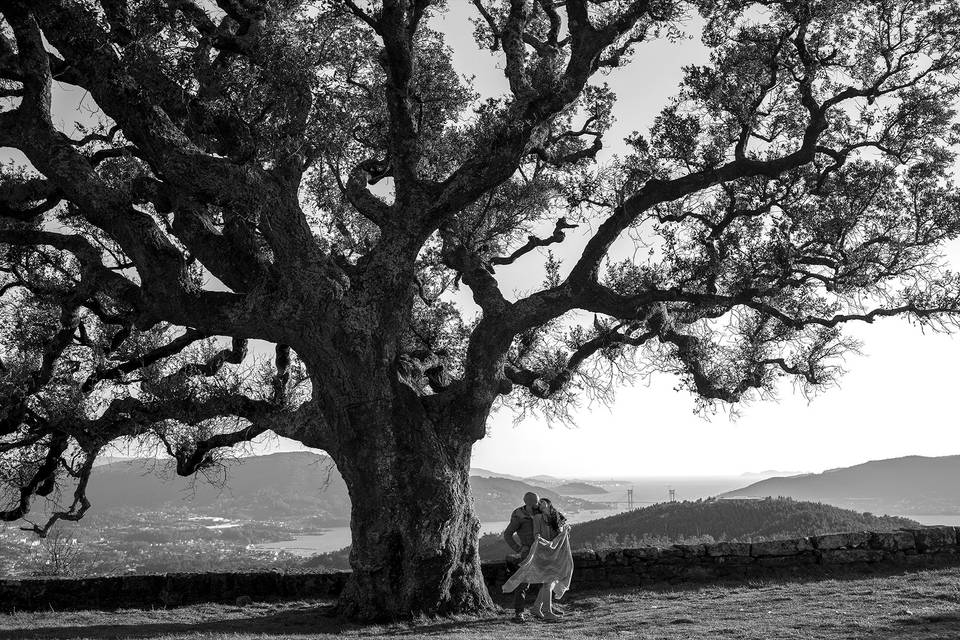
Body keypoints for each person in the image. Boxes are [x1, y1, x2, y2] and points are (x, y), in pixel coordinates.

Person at [502, 491, 540, 622]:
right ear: (527, 502)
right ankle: (519, 612)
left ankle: (545, 607)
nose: (537, 505)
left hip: (543, 550)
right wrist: (518, 548)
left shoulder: (540, 511)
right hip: (528, 552)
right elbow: (507, 534)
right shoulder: (519, 515)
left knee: (548, 579)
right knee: (524, 582)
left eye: (537, 502)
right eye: (534, 502)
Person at [530, 498, 569, 619]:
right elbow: (536, 533)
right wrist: (541, 539)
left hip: (556, 551)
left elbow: (561, 531)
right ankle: (547, 612)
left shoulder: (557, 516)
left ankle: (536, 608)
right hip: (544, 551)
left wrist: (567, 529)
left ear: (548, 503)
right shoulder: (537, 518)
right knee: (548, 582)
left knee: (550, 582)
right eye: (539, 503)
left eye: (542, 501)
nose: (540, 504)